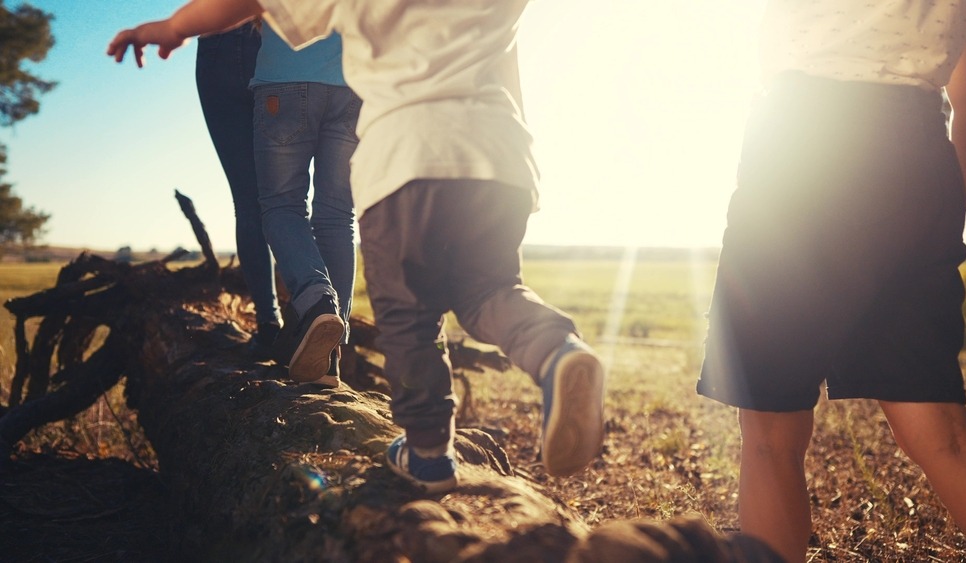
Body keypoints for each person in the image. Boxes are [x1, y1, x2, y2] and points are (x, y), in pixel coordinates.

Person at [107, 0, 606, 494]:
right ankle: (556, 351)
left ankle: (428, 449)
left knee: (410, 314)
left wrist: (173, 28)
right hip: (503, 160)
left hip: (405, 161)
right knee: (491, 292)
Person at [696, 2, 966, 562]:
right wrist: (939, 212)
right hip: (916, 151)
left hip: (800, 146)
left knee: (770, 437)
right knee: (943, 434)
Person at [250, 22, 360, 384]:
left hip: (285, 72)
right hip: (354, 84)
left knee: (282, 206)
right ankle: (327, 357)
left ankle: (316, 300)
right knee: (338, 217)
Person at [194, 21, 281, 358]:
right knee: (287, 199)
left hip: (217, 40)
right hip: (274, 43)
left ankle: (270, 325)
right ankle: (312, 320)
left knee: (248, 202)